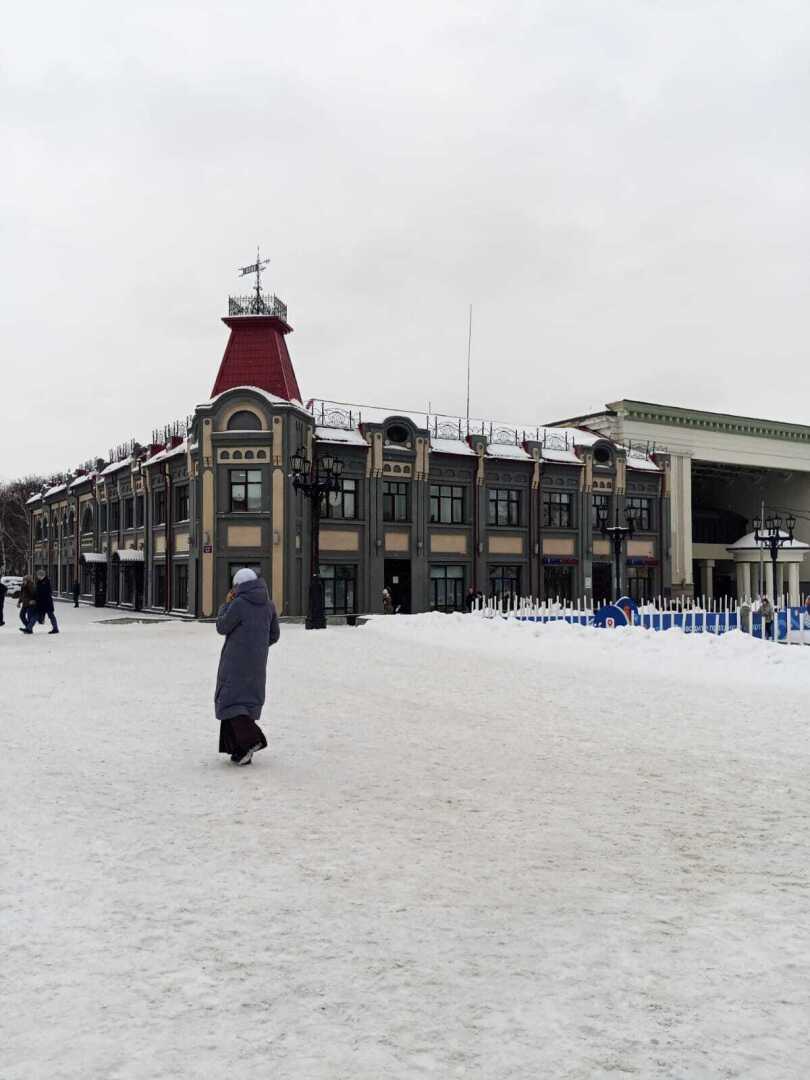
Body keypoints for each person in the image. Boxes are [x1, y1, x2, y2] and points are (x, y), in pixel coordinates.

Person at [215, 568, 280, 766]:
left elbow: (222, 626)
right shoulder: (269, 605)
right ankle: (240, 751)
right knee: (246, 701)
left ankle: (253, 740)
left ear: (238, 586)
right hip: (257, 662)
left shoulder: (239, 604)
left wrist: (226, 605)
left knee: (230, 702)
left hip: (236, 660)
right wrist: (257, 646)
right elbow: (274, 635)